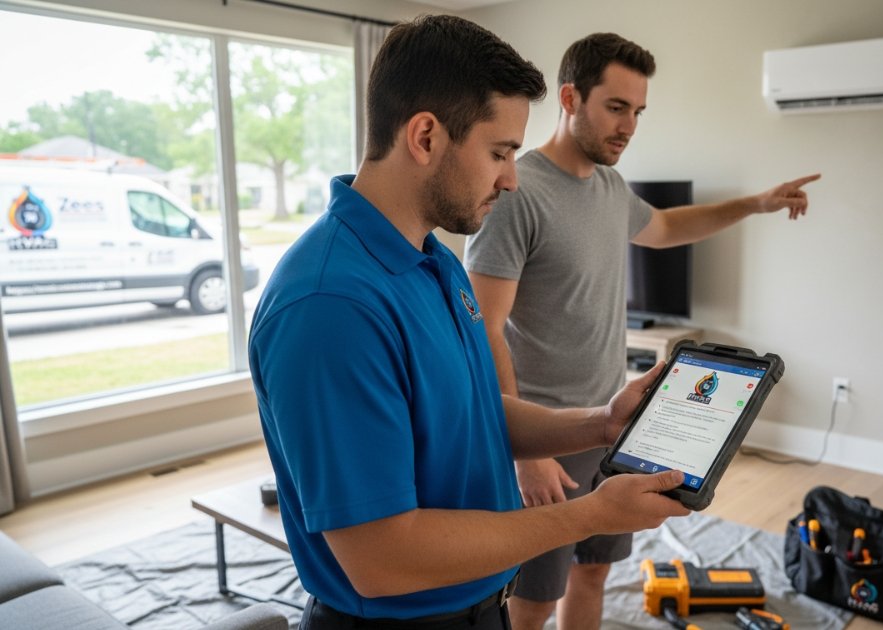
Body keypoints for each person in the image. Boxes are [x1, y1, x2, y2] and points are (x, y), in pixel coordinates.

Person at [248, 16, 690, 630]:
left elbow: (475, 412)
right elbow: (382, 560)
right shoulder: (330, 307)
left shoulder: (436, 261)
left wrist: (599, 423)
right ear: (426, 136)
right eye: (500, 152)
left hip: (481, 606)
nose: (511, 179)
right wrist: (587, 515)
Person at [464, 32, 820, 630]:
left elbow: (665, 227)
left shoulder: (608, 186)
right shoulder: (518, 194)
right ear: (572, 98)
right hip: (545, 434)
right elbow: (485, 330)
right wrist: (527, 454)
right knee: (532, 600)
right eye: (616, 107)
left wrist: (755, 204)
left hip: (613, 423)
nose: (629, 126)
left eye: (638, 112)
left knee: (596, 570)